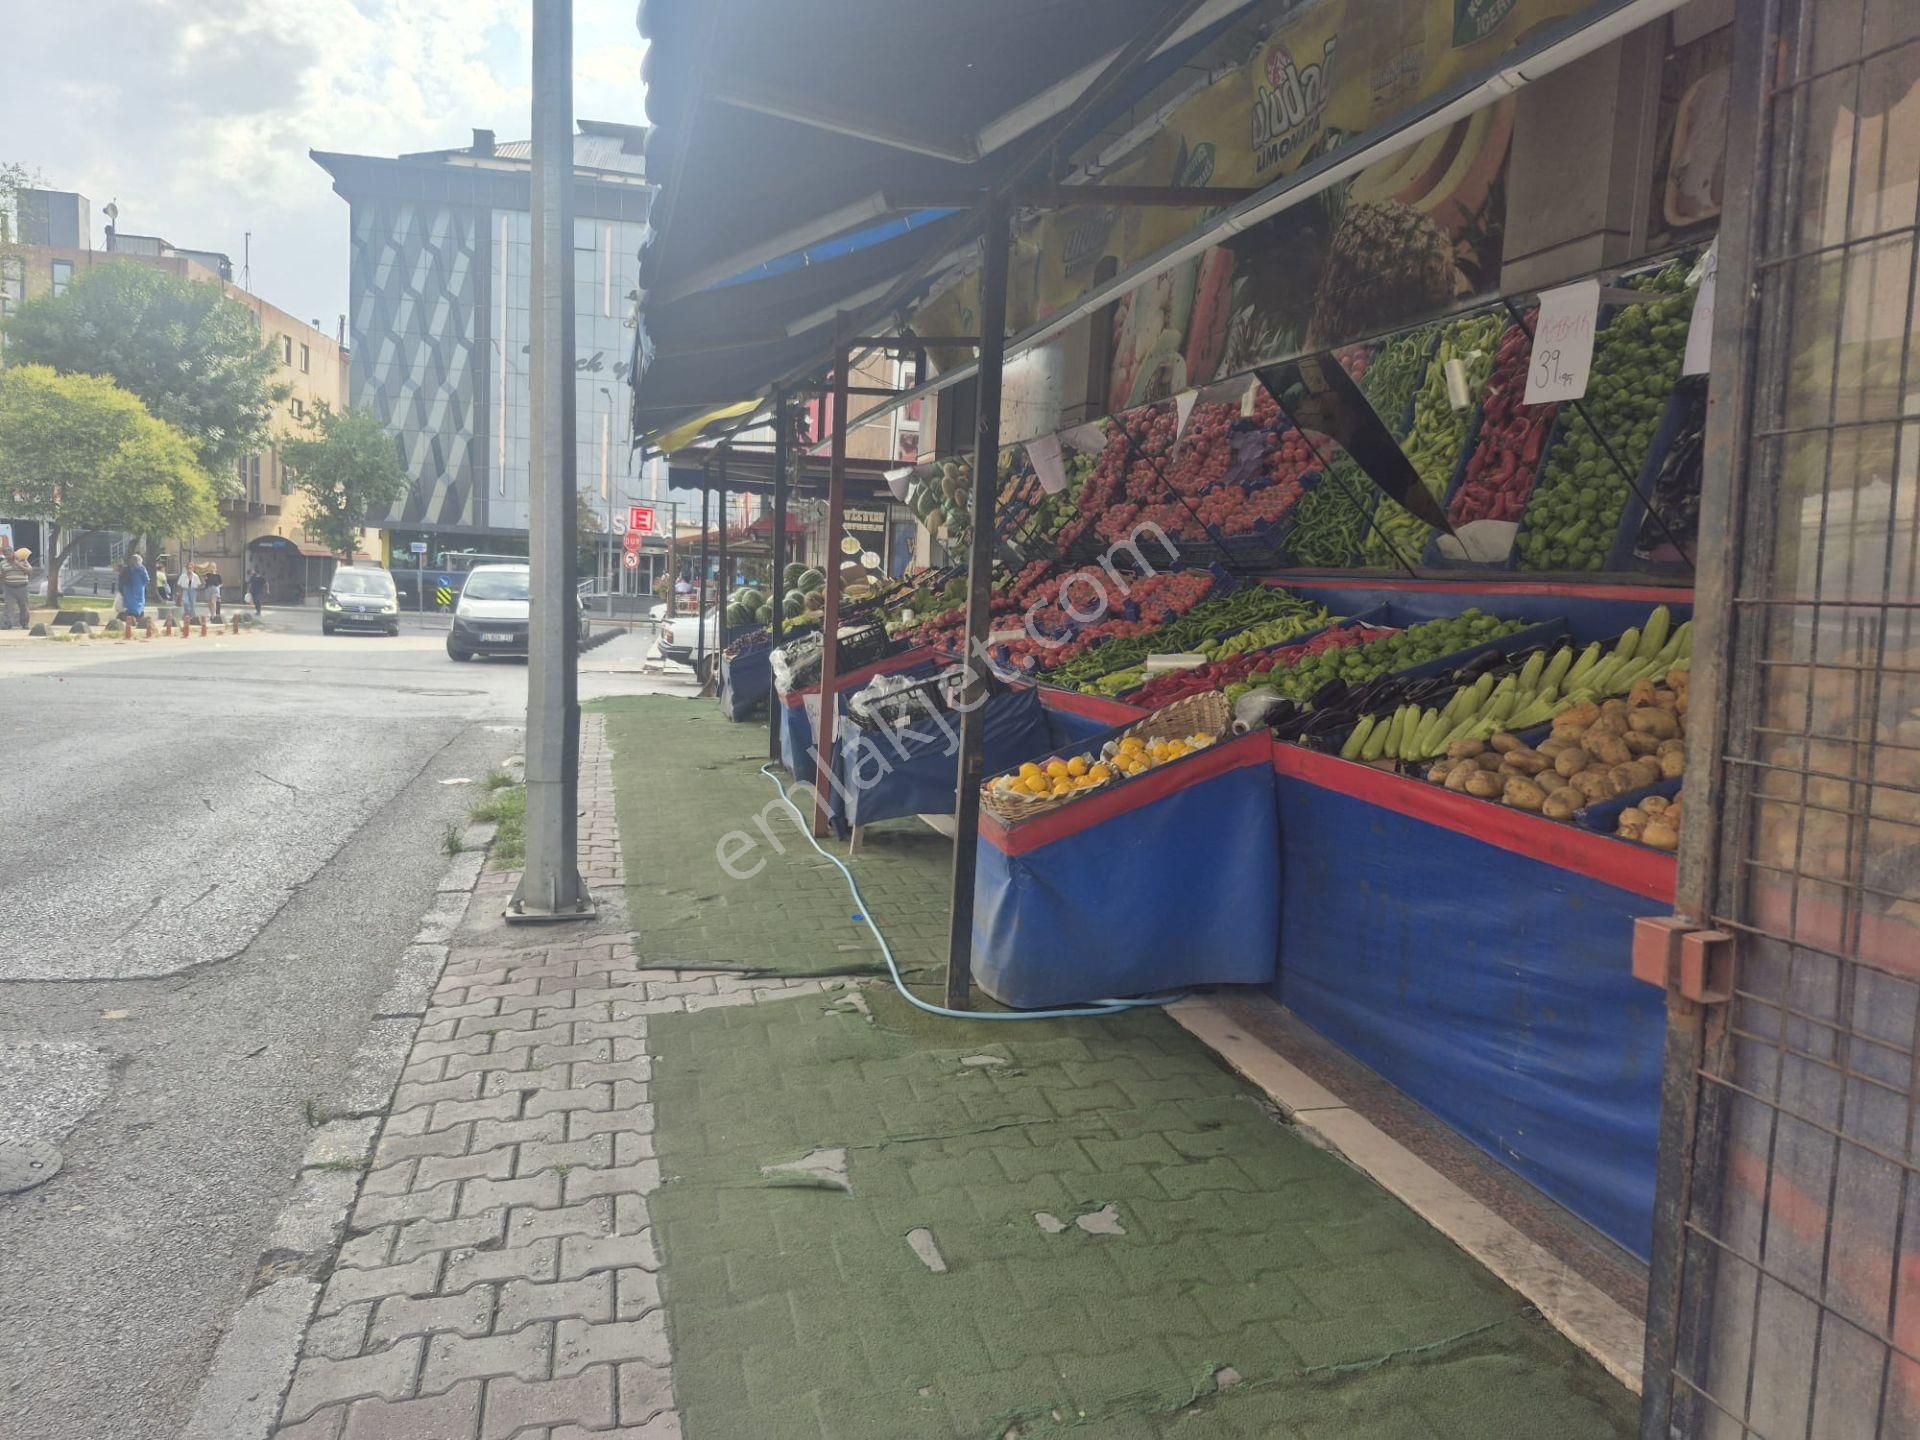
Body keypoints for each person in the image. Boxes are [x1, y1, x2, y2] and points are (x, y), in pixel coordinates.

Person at [1, 545, 32, 630]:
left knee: (24, 606)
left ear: (13, 553)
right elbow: (1, 576)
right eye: (6, 554)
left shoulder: (22, 560)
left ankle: (25, 624)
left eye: (9, 553)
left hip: (22, 587)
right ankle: (7, 624)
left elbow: (29, 571)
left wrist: (18, 565)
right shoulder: (3, 563)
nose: (8, 556)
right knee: (8, 606)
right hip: (9, 588)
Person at [119, 552, 150, 621]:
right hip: (139, 589)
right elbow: (147, 579)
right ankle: (137, 615)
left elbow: (121, 579)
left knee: (130, 602)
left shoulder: (127, 568)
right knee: (139, 602)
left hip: (128, 588)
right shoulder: (142, 569)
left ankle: (130, 615)